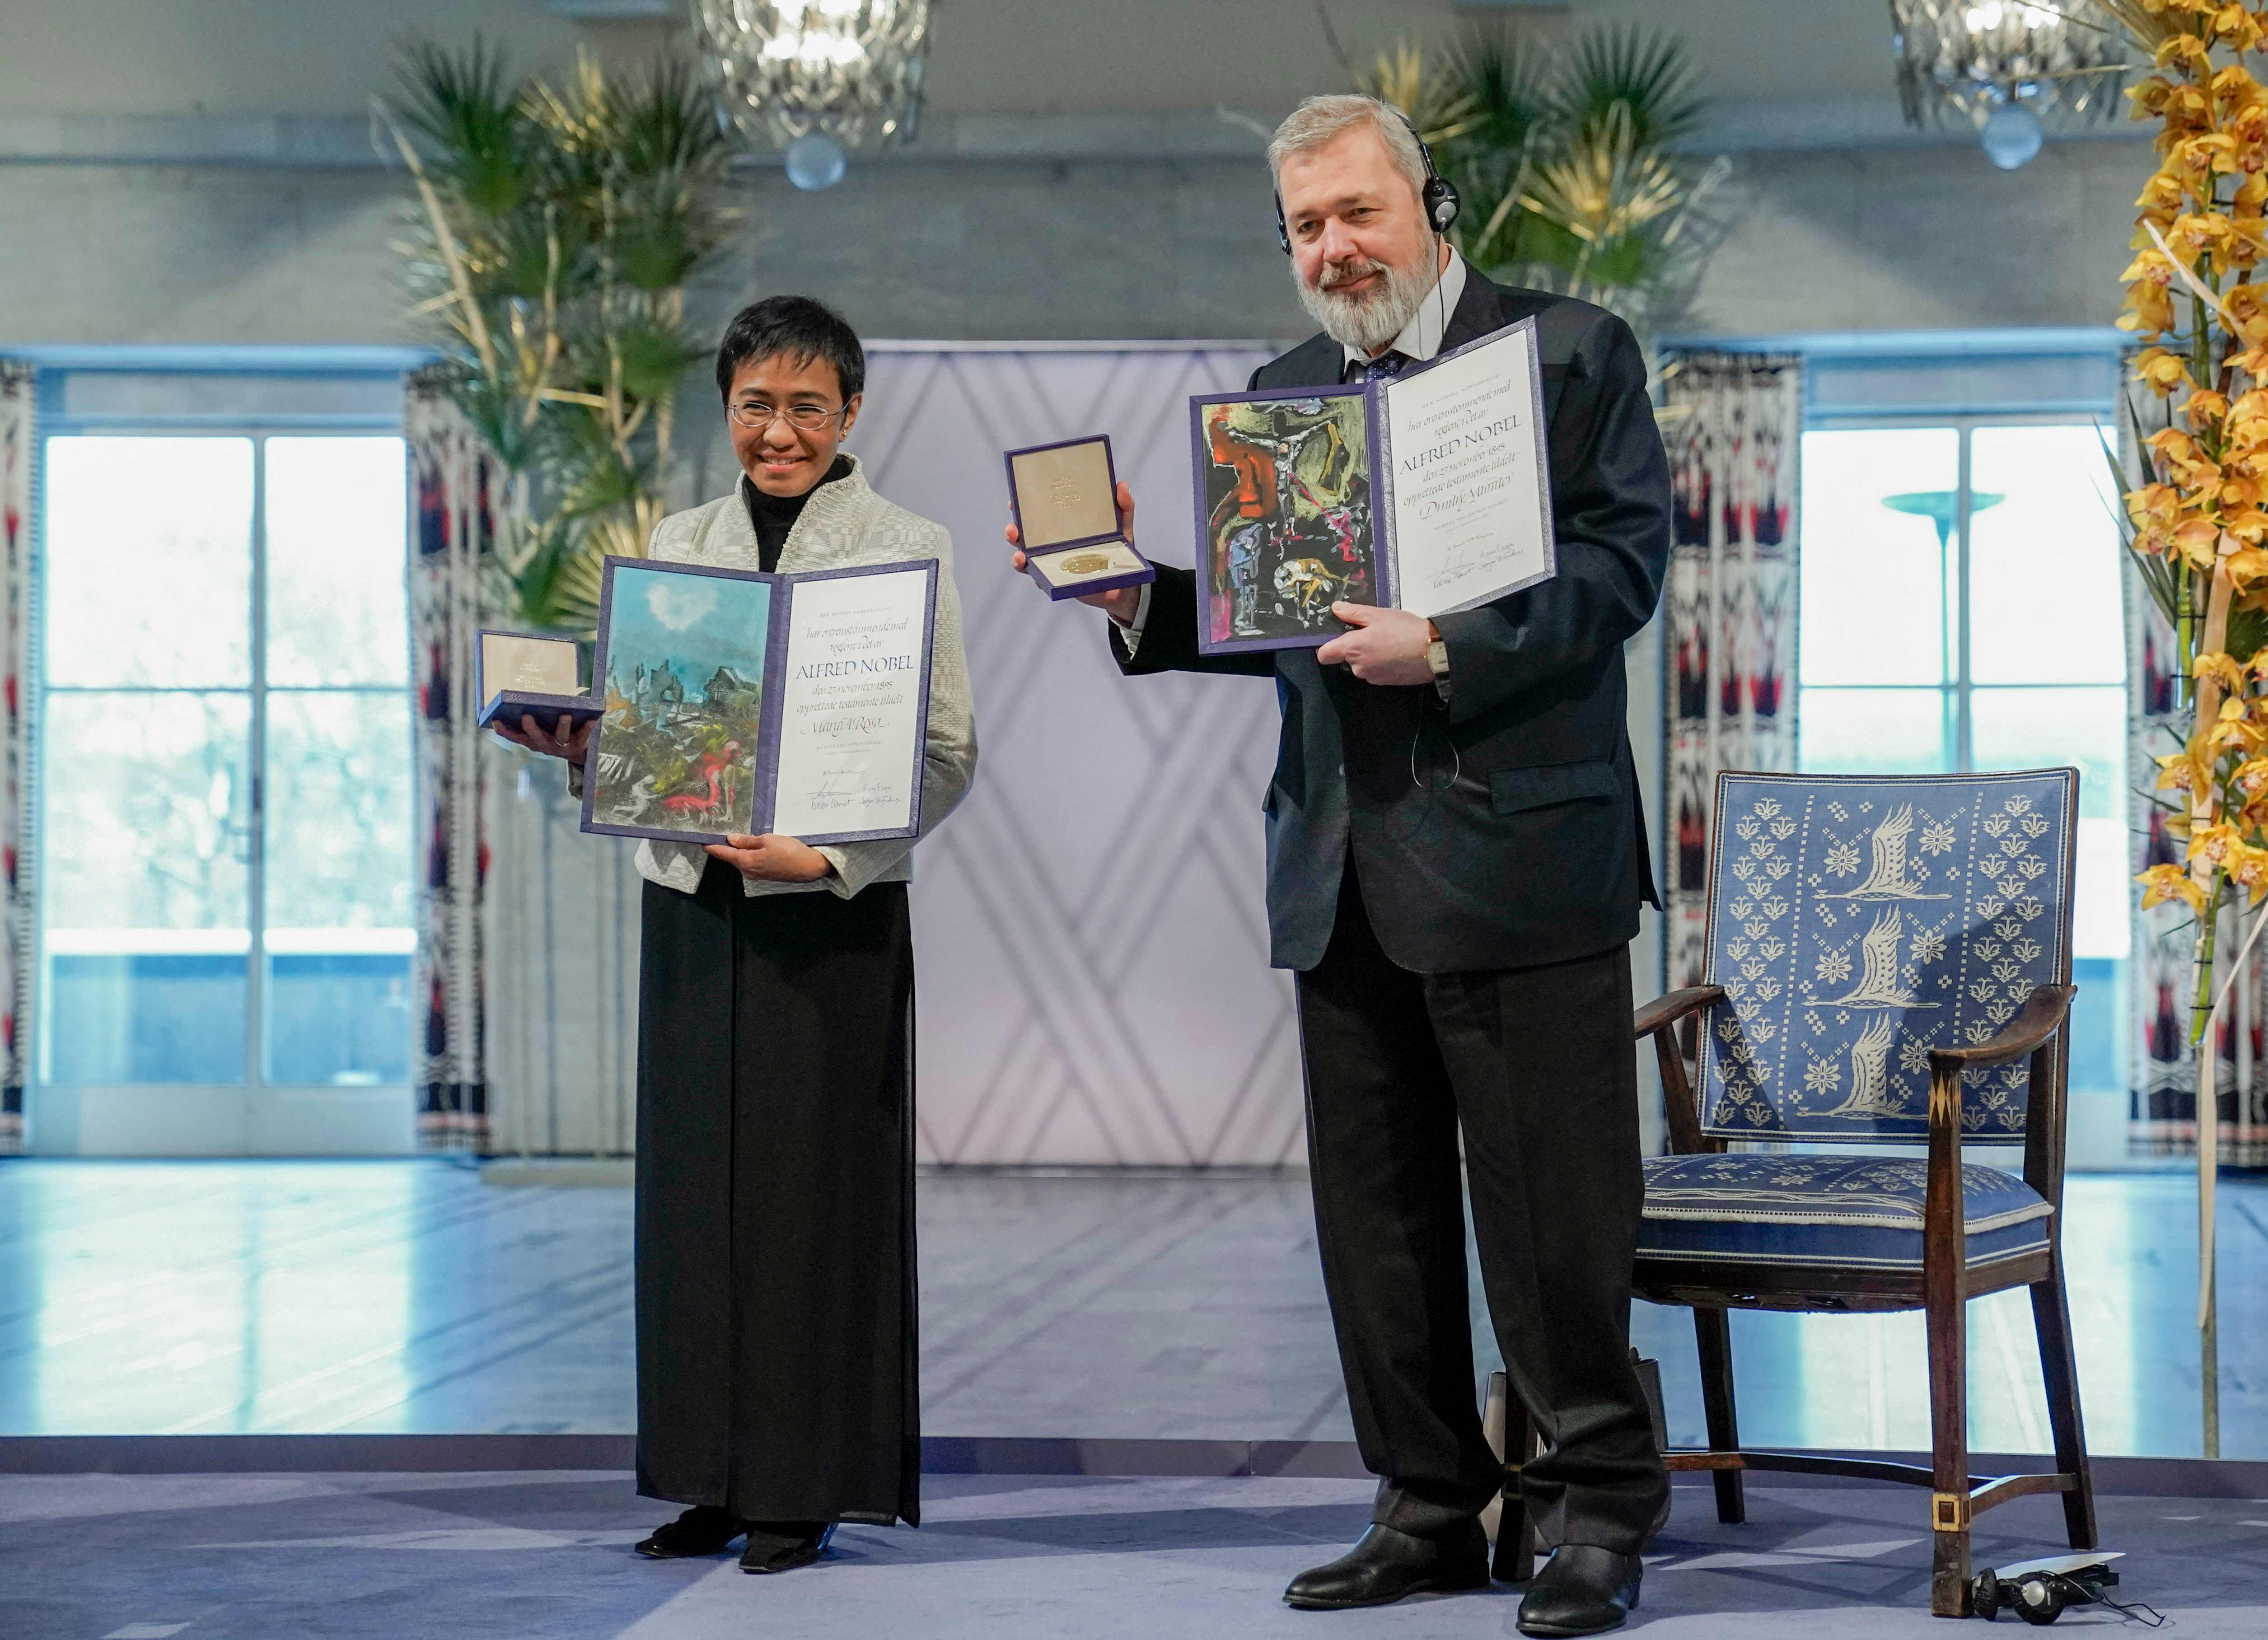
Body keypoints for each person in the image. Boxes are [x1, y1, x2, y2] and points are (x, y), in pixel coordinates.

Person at [1010, 95, 1671, 1637]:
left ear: (1432, 203)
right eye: (1305, 225)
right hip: (1340, 865)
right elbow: (1279, 628)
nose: (1332, 247)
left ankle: (1597, 1508)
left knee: (1551, 1219)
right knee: (1373, 1222)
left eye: (1355, 212)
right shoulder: (1289, 391)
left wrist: (1447, 642)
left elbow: (1621, 567)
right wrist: (1129, 595)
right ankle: (1430, 1505)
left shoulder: (1570, 354)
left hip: (1524, 863)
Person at [504, 294, 976, 1575]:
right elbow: (653, 735)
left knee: (810, 1206)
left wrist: (827, 856)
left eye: (807, 407)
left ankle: (801, 1487)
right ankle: (708, 1479)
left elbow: (944, 753)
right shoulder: (682, 538)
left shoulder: (904, 542)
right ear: (729, 410)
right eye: (758, 406)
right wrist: (584, 752)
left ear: (851, 414)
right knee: (696, 1206)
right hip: (694, 912)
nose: (780, 431)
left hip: (829, 915)